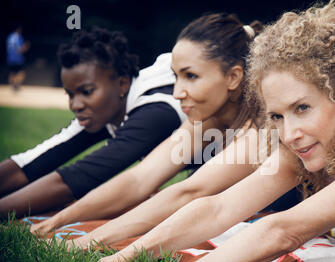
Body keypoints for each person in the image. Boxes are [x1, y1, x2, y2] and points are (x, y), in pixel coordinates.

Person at [87, 0, 335, 262]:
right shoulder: (305, 137)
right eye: (276, 115)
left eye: (302, 107)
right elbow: (219, 206)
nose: (289, 133)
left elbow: (284, 230)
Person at [29, 13, 299, 240]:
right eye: (176, 77)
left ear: (233, 77)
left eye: (190, 76)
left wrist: (90, 241)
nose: (178, 92)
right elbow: (139, 179)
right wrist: (60, 220)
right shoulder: (208, 121)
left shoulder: (263, 128)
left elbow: (189, 192)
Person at [0, 26, 186, 218]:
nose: (75, 105)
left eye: (86, 92)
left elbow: (75, 180)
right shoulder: (108, 105)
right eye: (70, 94)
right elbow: (30, 163)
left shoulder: (155, 110)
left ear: (122, 83)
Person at [6, 26, 30, 91]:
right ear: (19, 29)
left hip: (10, 58)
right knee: (22, 72)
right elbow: (19, 49)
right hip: (18, 58)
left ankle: (12, 86)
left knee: (12, 72)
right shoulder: (18, 37)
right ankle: (16, 85)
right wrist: (26, 47)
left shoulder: (10, 37)